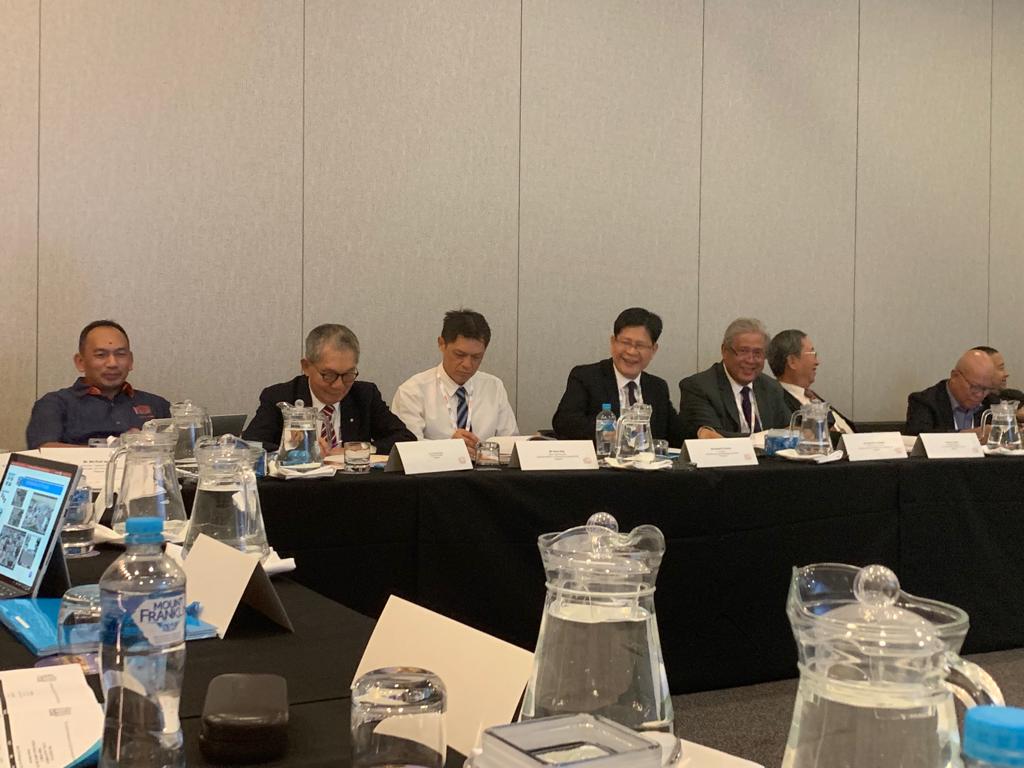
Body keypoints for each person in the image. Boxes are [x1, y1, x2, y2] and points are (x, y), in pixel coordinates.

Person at [242, 324, 415, 456]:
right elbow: (251, 445)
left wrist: (360, 449)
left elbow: (405, 440)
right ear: (306, 366)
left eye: (348, 374)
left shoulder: (365, 395)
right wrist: (295, 450)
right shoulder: (280, 397)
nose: (339, 385)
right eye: (329, 375)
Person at [26, 320, 171, 448]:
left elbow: (177, 453)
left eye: (120, 354)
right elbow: (44, 450)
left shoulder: (157, 405)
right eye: (101, 355)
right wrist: (120, 449)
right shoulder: (55, 404)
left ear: (131, 361)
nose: (112, 363)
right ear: (80, 362)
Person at [552, 307, 683, 446]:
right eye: (626, 343)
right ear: (613, 342)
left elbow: (677, 434)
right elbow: (564, 422)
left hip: (647, 460)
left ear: (653, 350)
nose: (631, 351)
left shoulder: (657, 387)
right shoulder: (586, 377)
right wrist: (611, 432)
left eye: (640, 345)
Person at [391, 309, 517, 453]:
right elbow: (407, 448)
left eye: (476, 357)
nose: (467, 364)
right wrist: (450, 448)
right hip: (435, 467)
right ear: (441, 344)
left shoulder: (494, 386)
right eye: (459, 354)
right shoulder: (412, 391)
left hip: (485, 466)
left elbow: (510, 443)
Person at [679, 317, 790, 439]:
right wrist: (765, 439)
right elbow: (712, 437)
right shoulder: (698, 387)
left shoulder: (771, 387)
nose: (750, 360)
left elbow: (788, 430)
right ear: (724, 351)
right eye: (743, 351)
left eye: (757, 353)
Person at [767, 329, 854, 434]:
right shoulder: (779, 402)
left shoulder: (810, 395)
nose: (817, 362)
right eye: (813, 354)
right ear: (792, 361)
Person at [905, 349, 1001, 436]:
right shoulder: (924, 401)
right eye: (974, 387)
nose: (980, 394)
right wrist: (968, 436)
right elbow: (918, 436)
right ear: (955, 376)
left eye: (986, 389)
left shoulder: (992, 403)